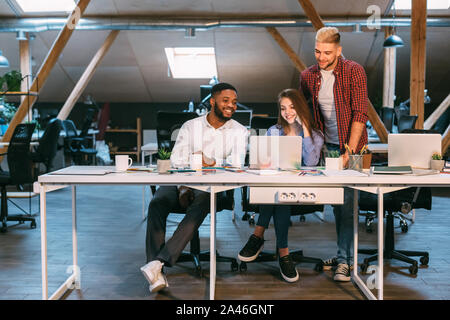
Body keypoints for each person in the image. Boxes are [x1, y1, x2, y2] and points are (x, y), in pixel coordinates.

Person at [140, 83, 248, 293]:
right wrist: (183, 185)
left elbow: (236, 164)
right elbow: (177, 159)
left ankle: (157, 263)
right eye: (225, 101)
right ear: (212, 101)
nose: (231, 106)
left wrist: (209, 159)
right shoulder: (191, 126)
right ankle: (156, 274)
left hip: (211, 185)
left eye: (234, 102)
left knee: (204, 200)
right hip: (180, 180)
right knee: (157, 203)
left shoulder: (239, 131)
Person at [300, 27, 368, 281]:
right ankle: (344, 255)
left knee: (348, 204)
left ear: (338, 50)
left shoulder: (354, 71)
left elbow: (360, 113)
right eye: (317, 51)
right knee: (336, 205)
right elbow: (304, 112)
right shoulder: (307, 75)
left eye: (327, 52)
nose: (321, 57)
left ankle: (344, 260)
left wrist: (348, 152)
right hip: (326, 146)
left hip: (353, 147)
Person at [238, 88, 324, 283]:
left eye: (293, 107)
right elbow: (263, 159)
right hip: (277, 188)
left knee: (279, 194)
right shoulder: (274, 131)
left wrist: (306, 129)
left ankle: (257, 236)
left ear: (301, 107)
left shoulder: (315, 135)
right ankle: (284, 254)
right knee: (279, 194)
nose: (288, 112)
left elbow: (311, 162)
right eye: (283, 108)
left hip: (303, 191)